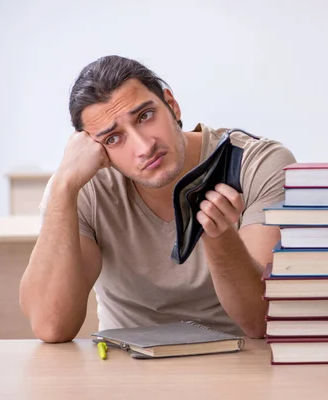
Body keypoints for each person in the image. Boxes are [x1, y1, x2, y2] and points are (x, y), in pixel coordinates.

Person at [19, 55, 296, 343]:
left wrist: (218, 235)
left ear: (171, 105)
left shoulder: (257, 165)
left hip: (240, 364)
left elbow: (260, 322)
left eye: (145, 116)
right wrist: (62, 187)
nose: (144, 147)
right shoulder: (85, 186)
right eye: (113, 138)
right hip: (126, 368)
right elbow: (51, 326)